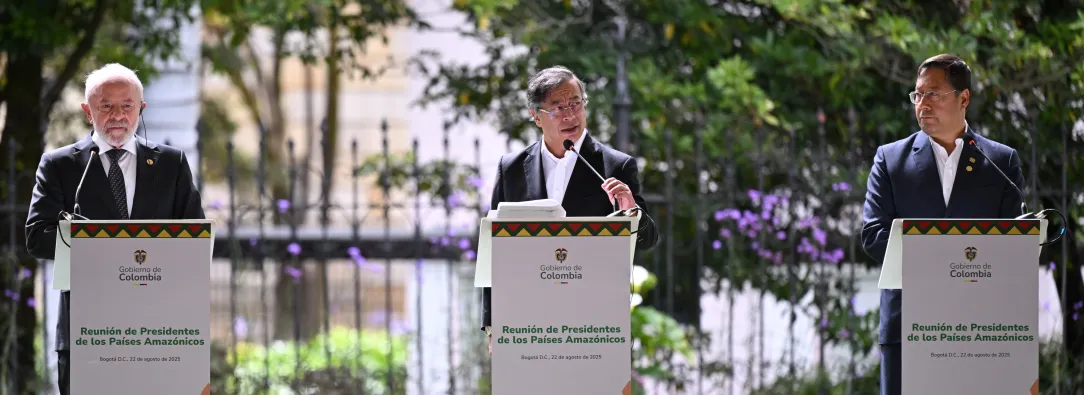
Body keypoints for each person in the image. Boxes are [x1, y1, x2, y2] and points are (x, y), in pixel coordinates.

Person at [24, 63, 205, 395]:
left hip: (158, 334)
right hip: (88, 333)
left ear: (141, 109)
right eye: (106, 105)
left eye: (127, 105)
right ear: (88, 111)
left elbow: (194, 239)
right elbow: (37, 237)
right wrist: (93, 244)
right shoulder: (60, 166)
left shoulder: (171, 164)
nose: (118, 115)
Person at [860, 54, 1024, 395]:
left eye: (933, 94)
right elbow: (874, 235)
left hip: (980, 331)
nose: (923, 104)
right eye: (917, 95)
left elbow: (1013, 245)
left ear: (964, 98)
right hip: (907, 327)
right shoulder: (891, 159)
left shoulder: (1001, 162)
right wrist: (950, 267)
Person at [480, 66, 660, 353]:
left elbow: (648, 240)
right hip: (528, 323)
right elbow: (494, 251)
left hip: (595, 324)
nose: (570, 115)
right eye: (558, 108)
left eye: (576, 103)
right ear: (536, 116)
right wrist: (492, 324)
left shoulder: (616, 166)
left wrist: (631, 210)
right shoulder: (511, 168)